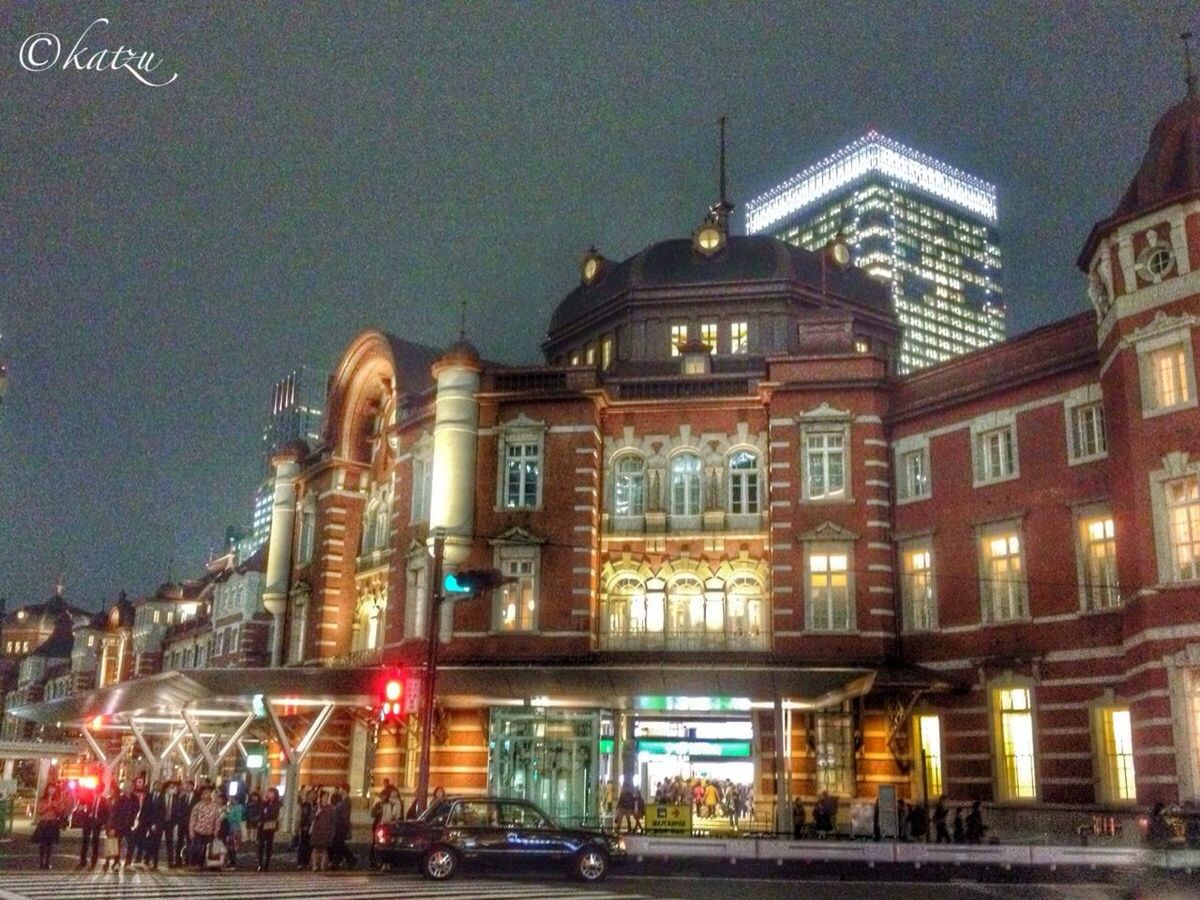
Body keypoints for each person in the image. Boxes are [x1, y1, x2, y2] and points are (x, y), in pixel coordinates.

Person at [32, 782, 66, 869]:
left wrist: (55, 807)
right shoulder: (43, 799)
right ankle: (41, 862)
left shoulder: (57, 799)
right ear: (47, 789)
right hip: (44, 822)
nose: (52, 790)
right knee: (42, 844)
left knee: (49, 844)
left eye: (53, 789)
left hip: (52, 822)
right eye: (50, 788)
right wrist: (47, 806)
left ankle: (47, 862)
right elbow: (39, 811)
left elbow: (61, 811)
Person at [76, 781, 109, 870]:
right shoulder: (88, 798)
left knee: (95, 842)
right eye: (97, 788)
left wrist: (102, 822)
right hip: (88, 820)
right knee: (85, 841)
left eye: (99, 789)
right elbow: (81, 808)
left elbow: (106, 813)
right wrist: (83, 818)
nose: (97, 791)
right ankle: (82, 861)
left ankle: (93, 862)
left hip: (97, 822)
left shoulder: (104, 800)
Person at [188, 786, 222, 868]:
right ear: (201, 796)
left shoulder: (214, 806)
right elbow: (193, 819)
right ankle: (193, 863)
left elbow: (217, 819)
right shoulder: (197, 806)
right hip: (198, 830)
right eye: (205, 794)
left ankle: (200, 864)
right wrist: (191, 831)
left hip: (209, 831)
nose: (207, 795)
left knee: (204, 848)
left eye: (208, 793)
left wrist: (216, 830)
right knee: (196, 847)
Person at [109, 782, 139, 869]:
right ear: (124, 789)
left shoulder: (135, 798)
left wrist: (135, 820)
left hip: (130, 825)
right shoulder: (120, 799)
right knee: (117, 844)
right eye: (127, 788)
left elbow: (137, 809)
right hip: (119, 825)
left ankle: (128, 862)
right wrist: (112, 827)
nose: (129, 789)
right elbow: (114, 813)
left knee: (131, 843)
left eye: (130, 787)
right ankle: (116, 862)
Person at [161, 781, 187, 868]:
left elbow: (178, 811)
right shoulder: (161, 797)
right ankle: (153, 860)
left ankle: (170, 861)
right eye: (170, 787)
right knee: (156, 841)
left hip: (170, 823)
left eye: (173, 787)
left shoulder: (176, 798)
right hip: (161, 821)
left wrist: (175, 822)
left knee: (170, 842)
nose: (172, 789)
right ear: (167, 788)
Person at [309, 794, 337, 871]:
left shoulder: (331, 809)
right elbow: (311, 818)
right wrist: (317, 813)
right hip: (317, 831)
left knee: (324, 849)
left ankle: (323, 865)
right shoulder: (317, 808)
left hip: (326, 831)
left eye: (327, 798)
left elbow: (333, 821)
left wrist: (332, 831)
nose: (325, 799)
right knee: (315, 849)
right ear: (321, 798)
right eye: (324, 797)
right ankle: (315, 865)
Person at [257, 788, 281, 871]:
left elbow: (273, 814)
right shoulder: (264, 803)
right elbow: (261, 813)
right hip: (262, 826)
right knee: (261, 845)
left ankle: (267, 864)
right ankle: (260, 864)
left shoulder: (276, 804)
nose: (268, 794)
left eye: (270, 793)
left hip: (270, 826)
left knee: (269, 845)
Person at [220, 793, 245, 868]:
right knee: (229, 846)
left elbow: (237, 819)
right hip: (229, 828)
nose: (230, 800)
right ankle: (229, 861)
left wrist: (227, 815)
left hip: (234, 829)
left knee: (233, 846)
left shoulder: (238, 808)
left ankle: (232, 862)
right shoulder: (229, 807)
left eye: (232, 799)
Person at [296, 789, 316, 869]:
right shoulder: (304, 805)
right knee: (302, 845)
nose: (313, 796)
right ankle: (301, 862)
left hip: (312, 828)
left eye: (314, 795)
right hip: (304, 827)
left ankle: (307, 862)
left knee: (309, 846)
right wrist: (298, 827)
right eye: (312, 794)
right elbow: (302, 816)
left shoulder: (315, 805)